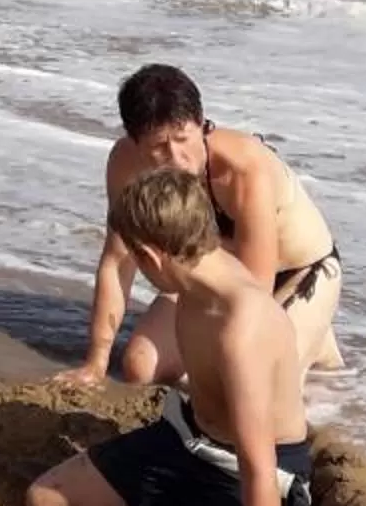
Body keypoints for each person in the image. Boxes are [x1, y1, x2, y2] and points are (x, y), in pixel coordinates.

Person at [26, 170, 313, 506]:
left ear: (150, 257)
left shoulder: (241, 328)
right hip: (185, 440)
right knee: (42, 502)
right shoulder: (195, 280)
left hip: (246, 475)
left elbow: (259, 465)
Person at [67, 63, 342, 389]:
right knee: (139, 367)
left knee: (256, 381)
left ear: (202, 123)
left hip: (301, 272)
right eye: (158, 146)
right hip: (212, 275)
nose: (176, 158)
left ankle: (312, 330)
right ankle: (306, 336)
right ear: (134, 140)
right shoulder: (126, 164)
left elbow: (256, 288)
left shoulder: (244, 168)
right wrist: (95, 363)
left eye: (183, 139)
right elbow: (117, 262)